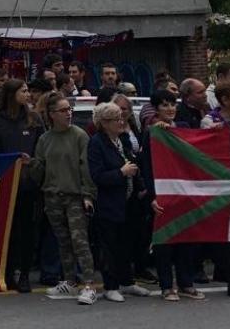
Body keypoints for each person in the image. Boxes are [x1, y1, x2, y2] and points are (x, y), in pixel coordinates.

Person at [29, 94, 98, 305]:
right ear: (51, 115)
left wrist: (88, 195)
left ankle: (89, 284)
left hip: (75, 196)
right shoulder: (44, 139)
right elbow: (39, 169)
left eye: (69, 109)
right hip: (52, 196)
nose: (68, 113)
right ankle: (69, 281)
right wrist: (32, 164)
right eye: (63, 110)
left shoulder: (79, 136)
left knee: (80, 241)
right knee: (63, 242)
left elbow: (86, 168)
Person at [142, 89, 206, 301]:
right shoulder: (151, 132)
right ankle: (167, 286)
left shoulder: (185, 128)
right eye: (164, 105)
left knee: (187, 239)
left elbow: (198, 152)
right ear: (156, 109)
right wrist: (152, 196)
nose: (170, 109)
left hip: (185, 191)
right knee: (165, 241)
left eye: (172, 104)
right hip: (163, 193)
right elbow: (147, 167)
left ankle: (186, 283)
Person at [87, 102, 151, 302]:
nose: (121, 121)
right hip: (109, 203)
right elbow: (97, 175)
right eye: (116, 119)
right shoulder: (97, 143)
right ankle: (111, 285)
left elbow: (131, 161)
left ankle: (127, 281)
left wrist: (139, 186)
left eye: (121, 117)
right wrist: (121, 173)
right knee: (109, 246)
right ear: (104, 123)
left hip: (128, 202)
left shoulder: (121, 140)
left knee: (126, 244)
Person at [0, 79, 44, 293]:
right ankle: (7, 272)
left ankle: (25, 274)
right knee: (7, 231)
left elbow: (42, 148)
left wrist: (34, 164)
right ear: (11, 94)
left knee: (27, 231)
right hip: (4, 185)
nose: (28, 94)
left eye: (29, 90)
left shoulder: (34, 119)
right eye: (24, 90)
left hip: (28, 185)